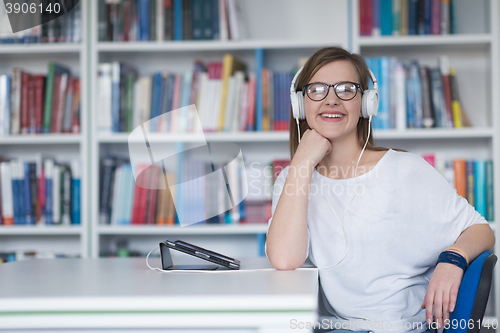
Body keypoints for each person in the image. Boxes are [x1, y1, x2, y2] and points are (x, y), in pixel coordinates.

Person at [265, 46, 495, 333]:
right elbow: (285, 259)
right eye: (317, 89)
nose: (332, 100)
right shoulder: (292, 179)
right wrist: (302, 160)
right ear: (300, 104)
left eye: (346, 89)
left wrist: (453, 258)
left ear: (366, 103)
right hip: (337, 328)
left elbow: (481, 229)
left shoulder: (404, 169)